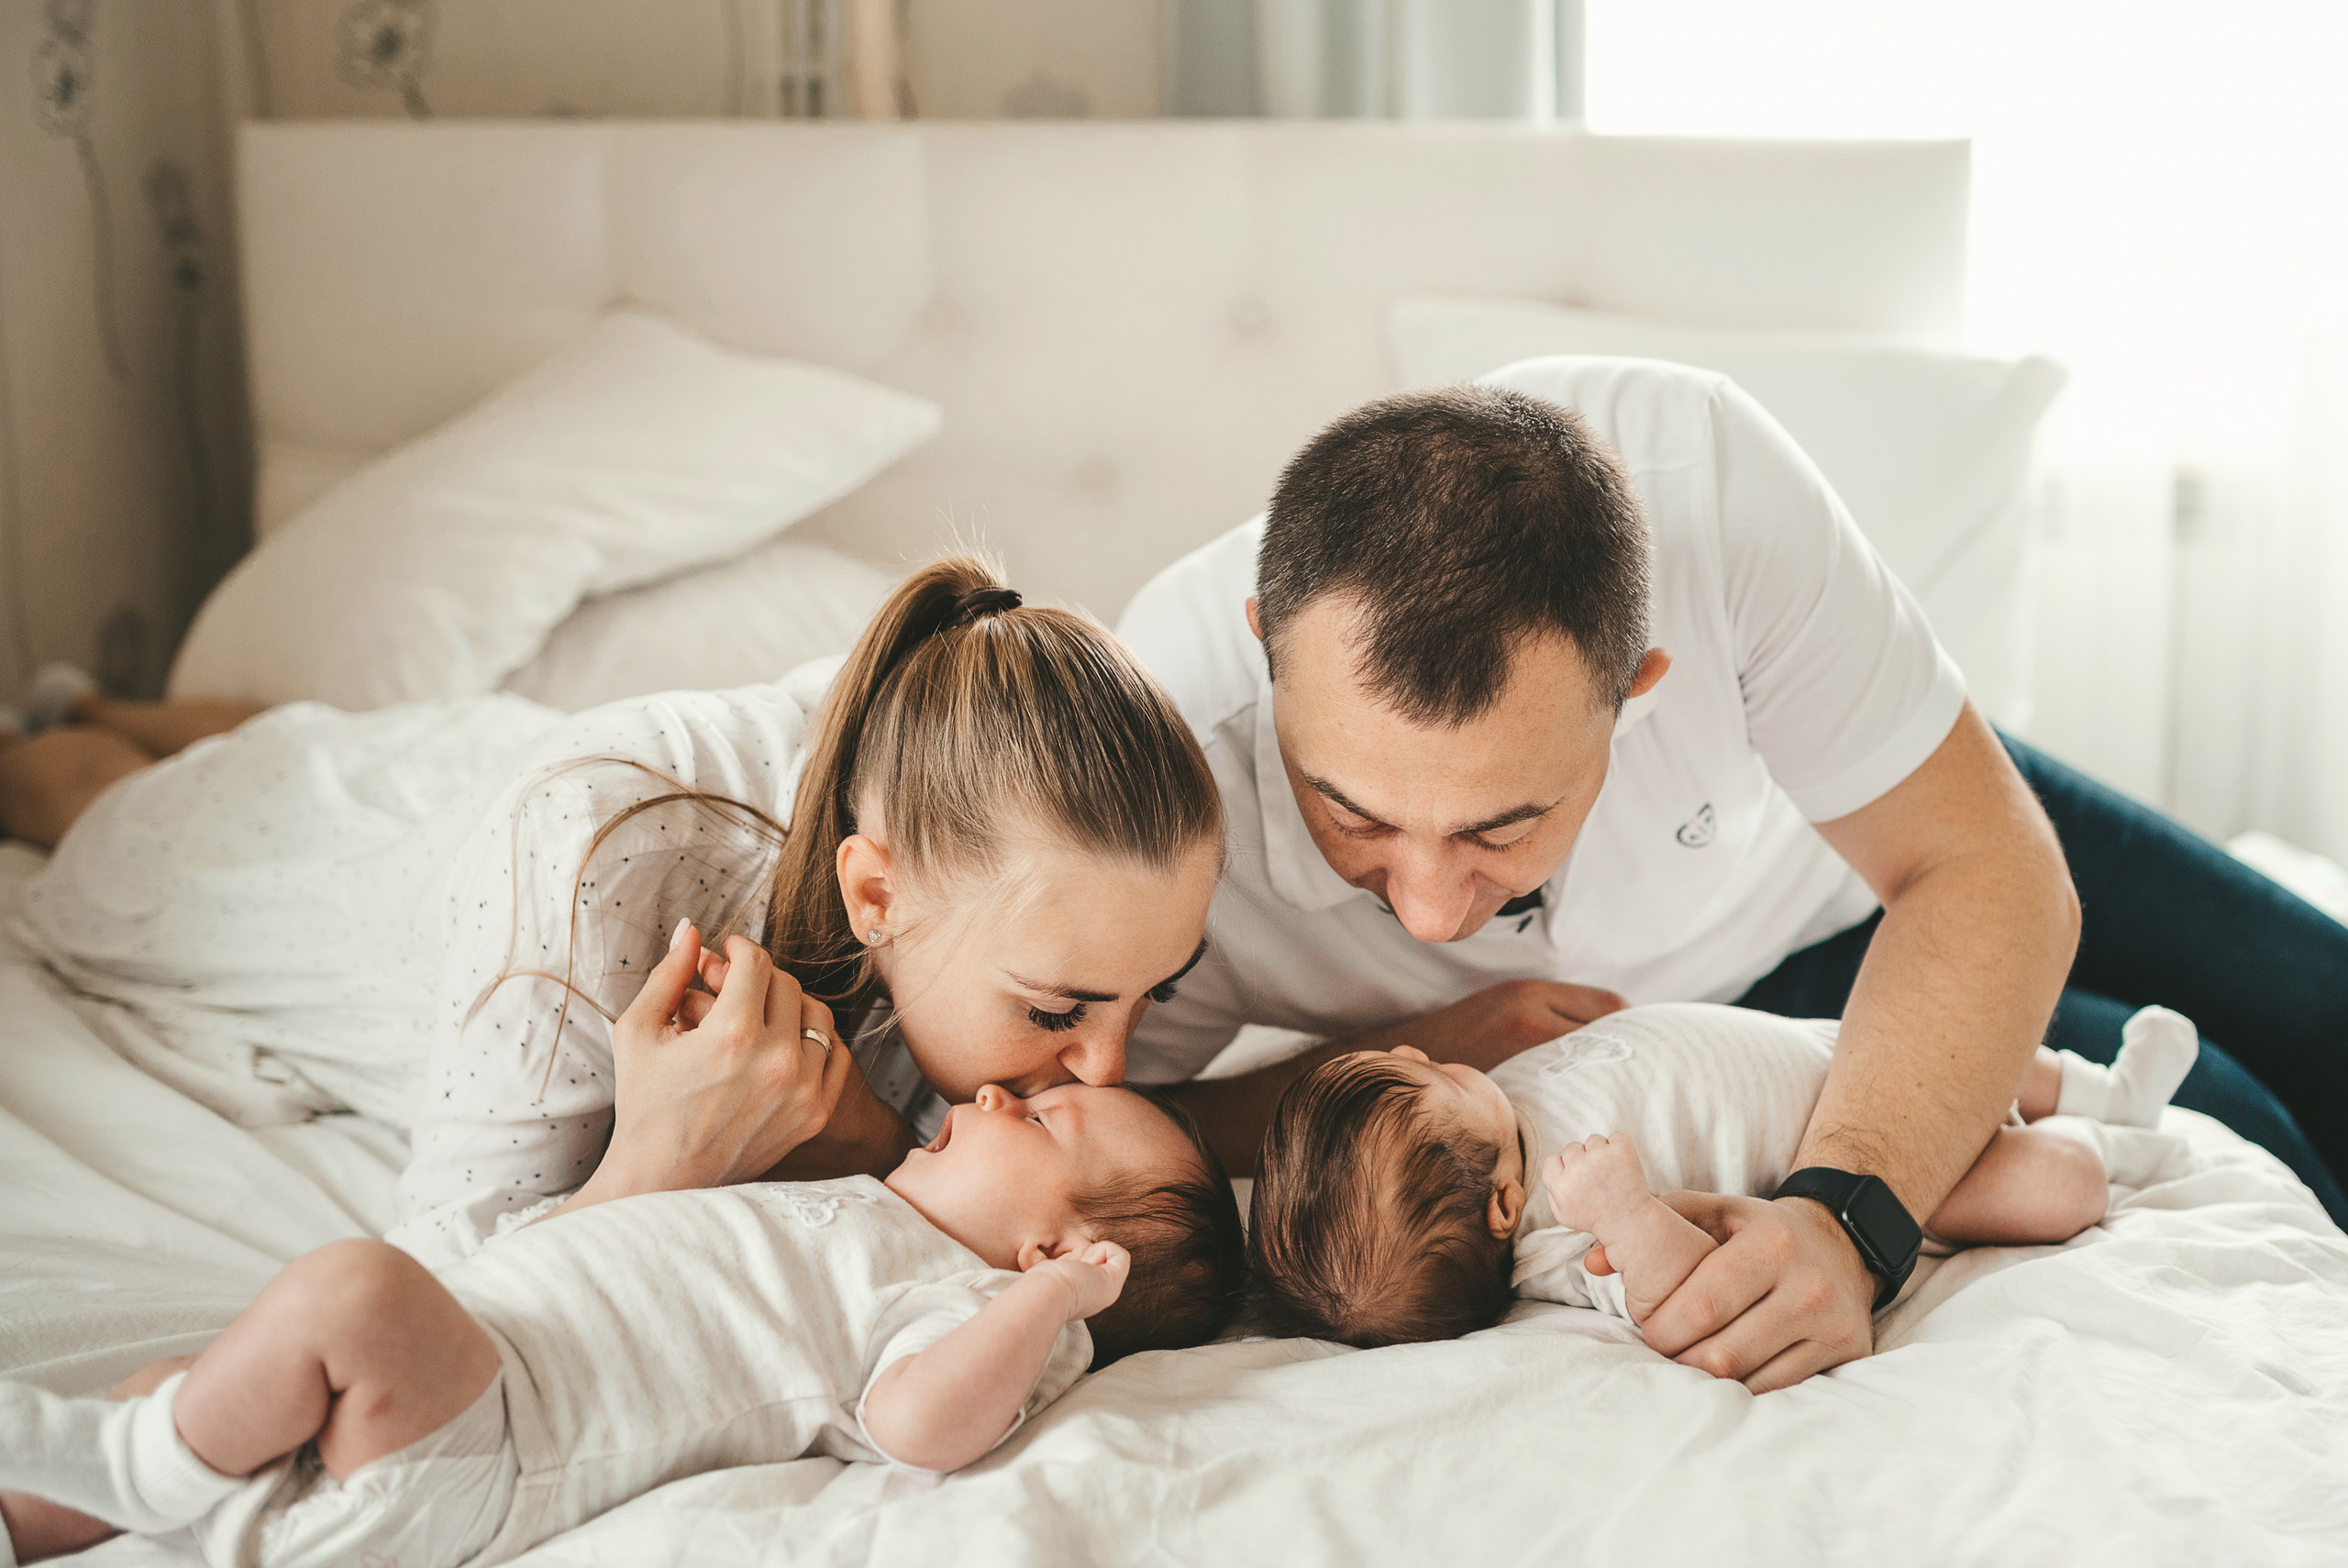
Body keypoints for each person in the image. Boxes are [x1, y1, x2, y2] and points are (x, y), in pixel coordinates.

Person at [1117, 359, 2346, 1393]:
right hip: (1728, 1043)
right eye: (1354, 812)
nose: (1435, 909)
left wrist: (1849, 1211)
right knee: (2238, 1115)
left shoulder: (1712, 498)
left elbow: (1982, 865)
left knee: (2321, 1002)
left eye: (1505, 824)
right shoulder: (1140, 757)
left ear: (1639, 692)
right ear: (1264, 655)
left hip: (1860, 863)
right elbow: (1093, 1122)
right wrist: (1427, 1039)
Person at [6, 555, 1225, 1270]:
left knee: (299, 740)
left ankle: (105, 698)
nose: (1112, 1063)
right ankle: (64, 726)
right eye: (1059, 1006)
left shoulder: (944, 770)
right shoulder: (599, 862)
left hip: (465, 774)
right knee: (99, 797)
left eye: (1153, 990)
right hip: (334, 885)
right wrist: (657, 1155)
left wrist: (863, 1142)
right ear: (874, 893)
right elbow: (445, 1272)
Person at [0, 933, 1247, 1565]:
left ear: (1059, 1246)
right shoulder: (874, 1209)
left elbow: (923, 1425)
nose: (988, 1095)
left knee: (353, 1288)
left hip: (497, 1437)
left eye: (1034, 1118)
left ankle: (143, 1470)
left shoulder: (956, 1302)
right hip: (480, 1364)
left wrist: (1042, 1307)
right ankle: (43, 1507)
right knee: (190, 1382)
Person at [1246, 1001, 2199, 1348]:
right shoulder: (1560, 1233)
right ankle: (2114, 1152)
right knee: (2045, 1186)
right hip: (1868, 1172)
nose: (1426, 1052)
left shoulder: (1490, 1125)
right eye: (1436, 1079)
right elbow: (1674, 1301)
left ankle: (2103, 1090)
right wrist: (1625, 1212)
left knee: (1966, 1041)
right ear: (1500, 1205)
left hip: (1837, 1057)